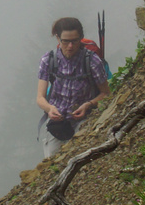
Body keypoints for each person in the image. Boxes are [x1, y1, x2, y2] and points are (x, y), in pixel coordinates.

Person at [36, 17, 109, 158]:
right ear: (58, 38)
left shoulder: (92, 61)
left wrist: (88, 105)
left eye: (75, 41)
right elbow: (40, 98)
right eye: (65, 41)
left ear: (81, 38)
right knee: (52, 163)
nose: (70, 46)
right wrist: (50, 109)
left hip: (85, 121)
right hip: (58, 123)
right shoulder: (49, 60)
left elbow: (105, 93)